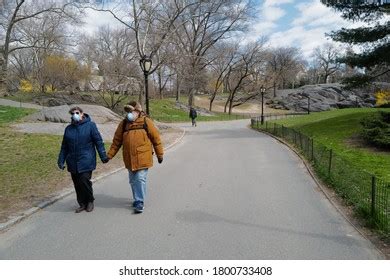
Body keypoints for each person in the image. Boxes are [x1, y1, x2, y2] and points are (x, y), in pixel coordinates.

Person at [107, 101, 163, 214]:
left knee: (140, 179)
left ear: (138, 111)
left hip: (143, 156)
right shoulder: (123, 124)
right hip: (129, 158)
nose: (129, 114)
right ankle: (137, 199)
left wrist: (159, 154)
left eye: (132, 111)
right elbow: (116, 142)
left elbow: (156, 139)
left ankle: (139, 201)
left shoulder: (146, 122)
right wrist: (109, 155)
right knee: (133, 181)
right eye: (128, 111)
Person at [58, 106, 109, 213]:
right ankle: (82, 203)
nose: (74, 115)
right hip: (72, 161)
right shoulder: (68, 129)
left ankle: (90, 201)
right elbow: (64, 147)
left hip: (86, 159)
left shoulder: (90, 126)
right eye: (72, 114)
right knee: (77, 183)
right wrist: (61, 160)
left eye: (76, 113)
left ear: (82, 114)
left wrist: (103, 156)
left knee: (84, 180)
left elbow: (98, 142)